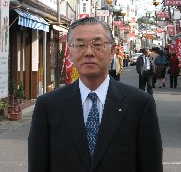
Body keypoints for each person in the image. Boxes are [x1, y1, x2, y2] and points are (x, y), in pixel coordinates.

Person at [28, 17, 163, 172]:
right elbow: (38, 165)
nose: (89, 52)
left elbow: (151, 165)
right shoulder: (48, 105)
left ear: (112, 51)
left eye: (98, 45)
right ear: (70, 53)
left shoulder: (139, 104)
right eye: (79, 45)